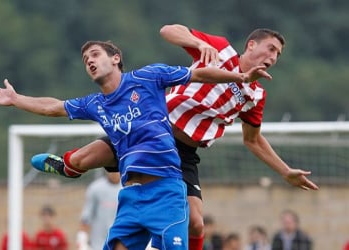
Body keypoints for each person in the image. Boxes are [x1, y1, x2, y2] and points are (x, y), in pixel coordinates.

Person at [16, 25, 319, 250]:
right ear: (251, 45)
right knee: (83, 160)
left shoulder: (256, 95)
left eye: (278, 54)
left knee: (197, 222)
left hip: (182, 153)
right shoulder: (220, 49)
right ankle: (67, 167)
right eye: (270, 49)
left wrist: (285, 171)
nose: (273, 57)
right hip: (145, 130)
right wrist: (197, 44)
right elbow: (167, 30)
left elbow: (252, 140)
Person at [76, 171, 121, 250]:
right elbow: (86, 217)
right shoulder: (95, 188)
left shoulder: (127, 188)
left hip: (121, 243)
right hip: (98, 245)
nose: (114, 172)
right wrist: (82, 241)